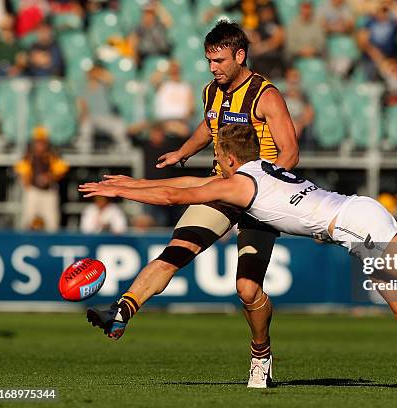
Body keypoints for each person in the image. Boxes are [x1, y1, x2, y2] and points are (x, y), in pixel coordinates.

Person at [80, 123, 397, 394]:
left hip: (359, 222)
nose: (214, 163)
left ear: (225, 155)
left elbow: (171, 194)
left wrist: (121, 188)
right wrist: (126, 184)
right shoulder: (258, 169)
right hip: (352, 227)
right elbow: (182, 190)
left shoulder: (239, 181)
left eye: (217, 156)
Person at [82, 21, 299, 389]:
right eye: (209, 60)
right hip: (220, 188)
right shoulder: (212, 91)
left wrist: (260, 185)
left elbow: (290, 152)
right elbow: (209, 124)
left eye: (220, 60)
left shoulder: (266, 95)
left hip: (262, 196)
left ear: (240, 56)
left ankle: (260, 353)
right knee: (175, 252)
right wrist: (183, 151)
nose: (213, 68)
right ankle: (121, 310)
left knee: (247, 289)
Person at [14, 126, 69, 232]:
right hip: (33, 192)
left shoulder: (52, 156)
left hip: (49, 193)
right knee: (27, 220)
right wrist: (27, 184)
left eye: (42, 142)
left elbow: (62, 170)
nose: (40, 145)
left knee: (52, 223)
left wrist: (50, 177)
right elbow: (21, 170)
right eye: (38, 142)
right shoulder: (28, 156)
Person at [76, 63, 130, 153]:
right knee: (85, 127)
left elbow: (111, 79)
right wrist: (82, 115)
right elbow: (81, 105)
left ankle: (123, 150)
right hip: (91, 118)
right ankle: (84, 152)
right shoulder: (82, 88)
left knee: (119, 125)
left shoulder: (104, 86)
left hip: (105, 117)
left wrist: (99, 74)